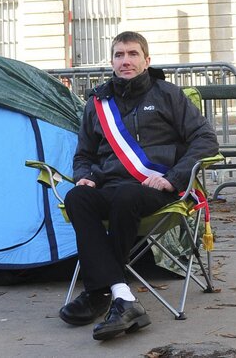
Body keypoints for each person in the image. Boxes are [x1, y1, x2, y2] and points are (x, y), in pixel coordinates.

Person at [59, 31, 219, 341]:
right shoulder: (98, 103)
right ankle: (121, 295)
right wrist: (84, 175)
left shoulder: (168, 94)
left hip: (156, 188)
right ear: (111, 61)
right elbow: (84, 153)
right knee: (77, 197)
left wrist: (172, 178)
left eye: (133, 54)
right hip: (111, 185)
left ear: (147, 60)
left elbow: (206, 139)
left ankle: (96, 292)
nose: (126, 60)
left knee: (126, 196)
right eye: (119, 55)